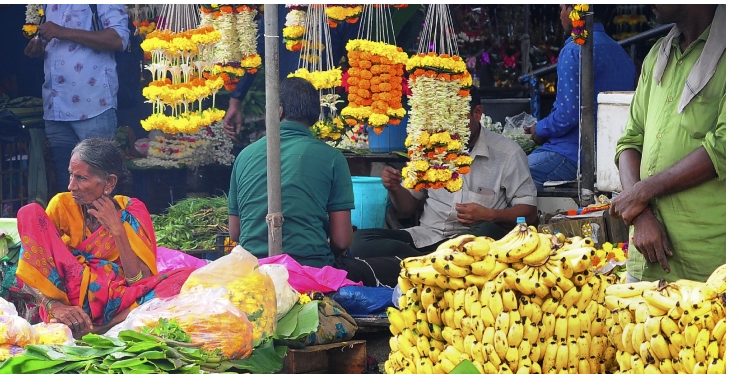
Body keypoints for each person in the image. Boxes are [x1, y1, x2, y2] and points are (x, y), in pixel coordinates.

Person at [15, 138, 192, 338]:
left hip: (116, 302)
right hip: (71, 303)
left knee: (185, 278)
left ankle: (100, 329)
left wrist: (118, 231)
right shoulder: (61, 205)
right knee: (29, 212)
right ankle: (77, 322)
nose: (71, 185)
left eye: (81, 178)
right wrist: (54, 306)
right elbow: (34, 266)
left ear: (109, 183)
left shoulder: (131, 212)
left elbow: (141, 283)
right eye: (71, 175)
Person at [350, 88, 538, 259]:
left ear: (477, 113)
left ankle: (419, 263)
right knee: (359, 241)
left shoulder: (508, 153)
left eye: (456, 117)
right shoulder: (431, 146)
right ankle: (430, 262)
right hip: (426, 238)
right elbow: (407, 208)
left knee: (486, 231)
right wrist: (394, 188)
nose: (450, 126)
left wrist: (490, 215)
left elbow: (529, 213)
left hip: (473, 243)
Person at [610, 4, 724, 282]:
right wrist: (641, 212)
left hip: (707, 266)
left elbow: (724, 147)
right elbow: (629, 141)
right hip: (643, 259)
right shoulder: (657, 54)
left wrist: (643, 192)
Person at [228, 77, 355, 271]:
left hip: (253, 271)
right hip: (311, 270)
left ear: (278, 111)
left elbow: (235, 232)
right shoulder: (333, 158)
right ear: (315, 114)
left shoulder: (244, 156)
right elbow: (342, 240)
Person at [524, 5, 635, 188]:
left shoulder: (576, 50)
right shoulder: (619, 51)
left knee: (514, 174)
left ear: (573, 10)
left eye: (562, 8)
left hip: (574, 155)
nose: (560, 15)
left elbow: (568, 114)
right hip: (609, 155)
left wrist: (540, 129)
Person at [24, 4, 129, 194]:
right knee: (68, 186)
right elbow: (56, 46)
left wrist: (62, 32)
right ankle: (72, 224)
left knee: (99, 182)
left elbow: (118, 38)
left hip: (93, 104)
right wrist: (39, 48)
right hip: (56, 106)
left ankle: (105, 224)